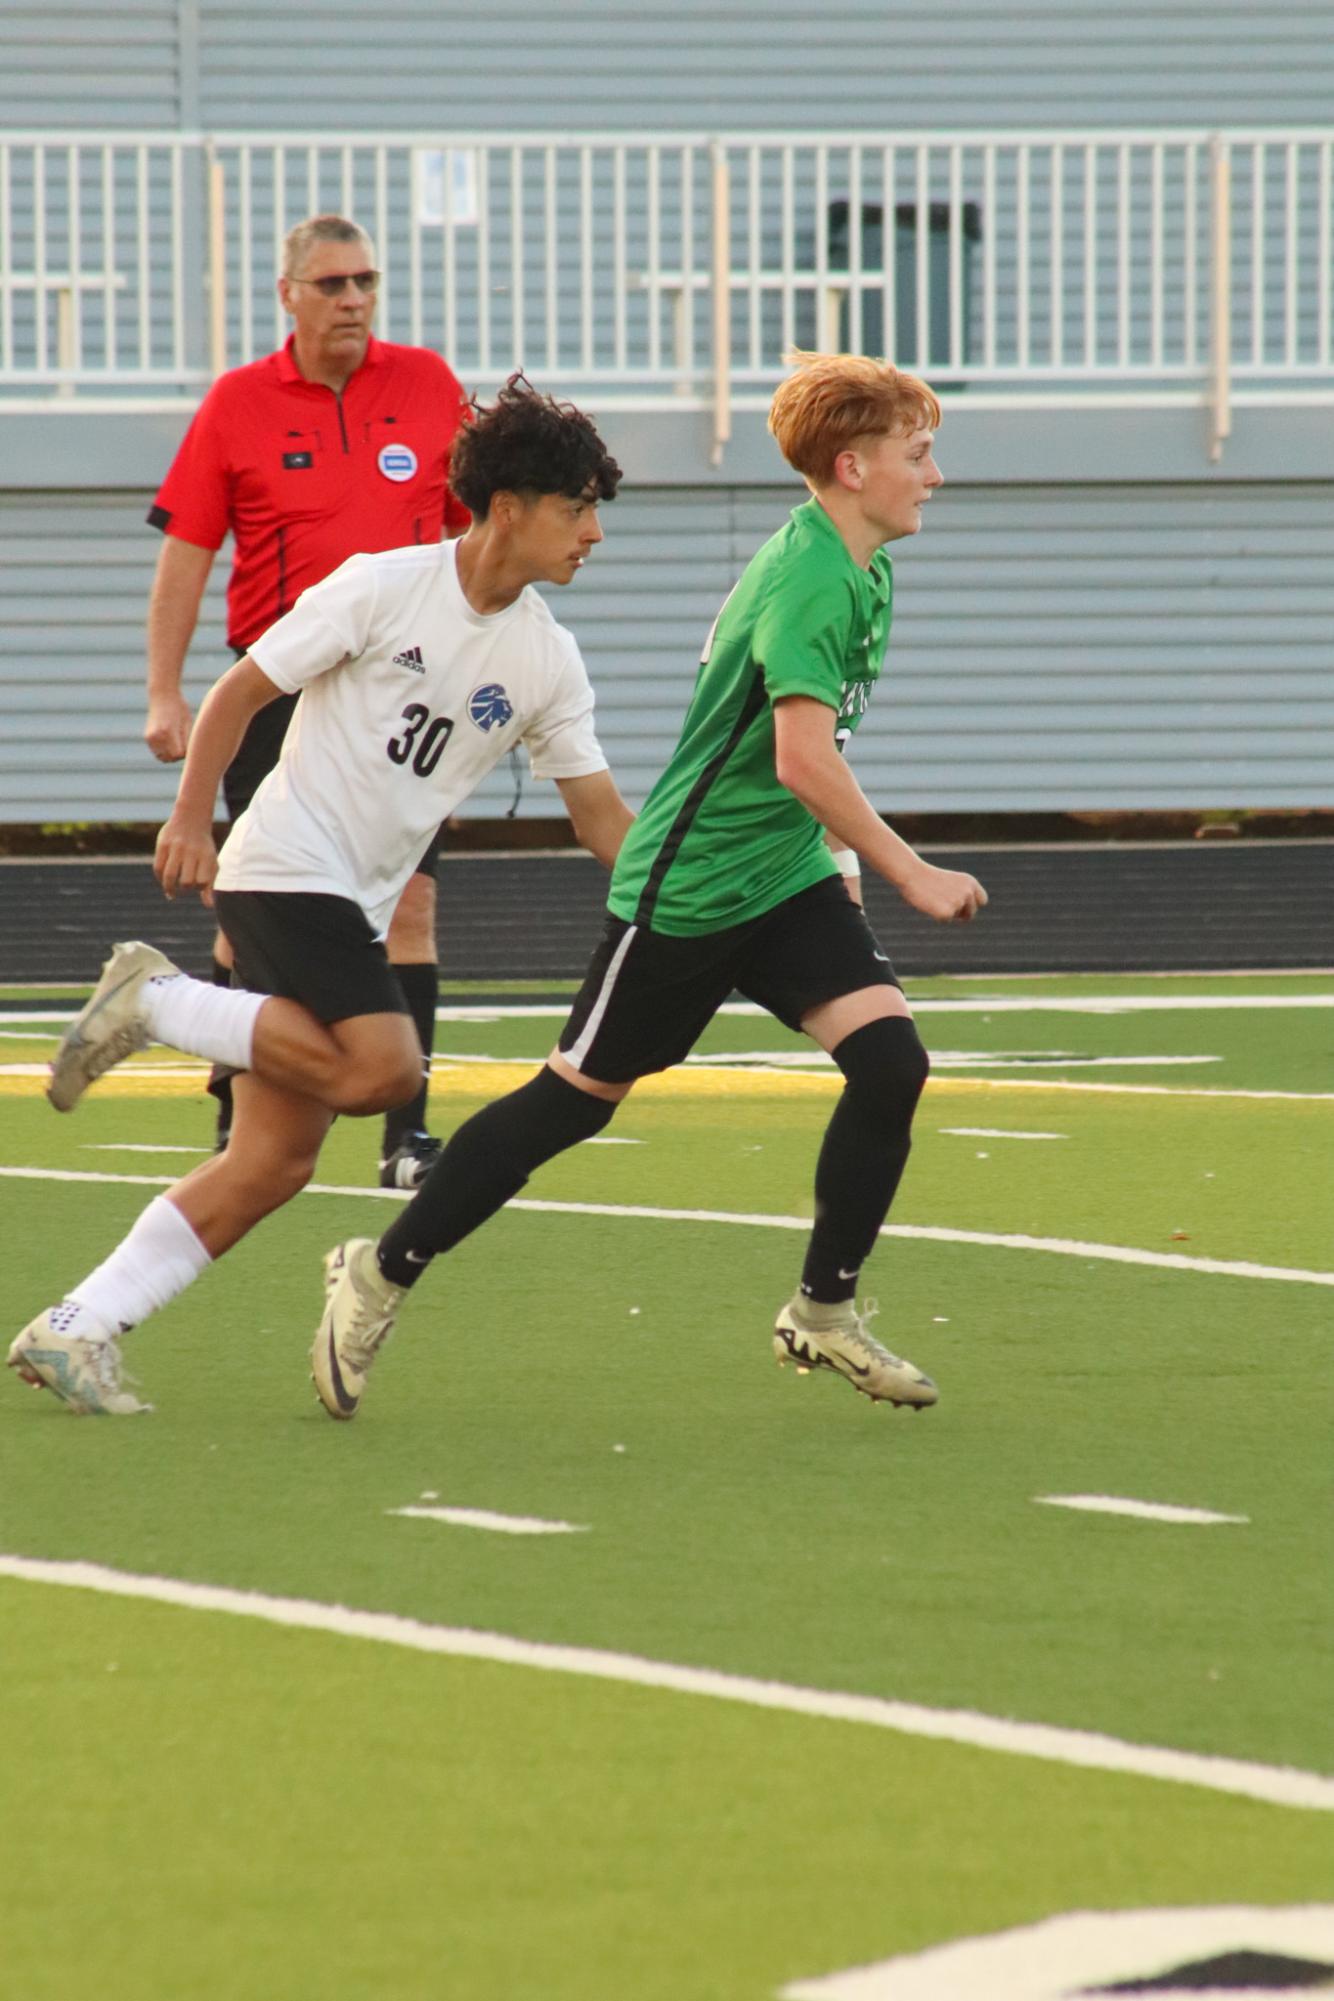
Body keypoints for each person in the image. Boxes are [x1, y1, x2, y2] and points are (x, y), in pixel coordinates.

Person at [307, 350, 987, 1424]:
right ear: (852, 467)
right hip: (691, 888)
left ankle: (821, 1311)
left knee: (890, 1061)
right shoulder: (811, 576)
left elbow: (814, 749)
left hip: (782, 875)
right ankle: (378, 1270)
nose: (934, 475)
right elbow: (803, 759)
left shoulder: (864, 563)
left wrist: (840, 868)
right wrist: (908, 871)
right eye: (919, 453)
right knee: (566, 1108)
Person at [8, 380, 633, 1417]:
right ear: (509, 507)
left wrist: (686, 888)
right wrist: (190, 817)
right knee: (386, 1069)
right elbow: (241, 691)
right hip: (284, 866)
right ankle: (155, 1001)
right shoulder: (383, 586)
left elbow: (601, 817)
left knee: (270, 1163)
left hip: (345, 902)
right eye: (577, 508)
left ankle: (73, 1329)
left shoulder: (547, 660)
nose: (594, 534)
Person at [144, 211, 472, 1189]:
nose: (353, 301)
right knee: (252, 911)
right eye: (332, 284)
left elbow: (474, 539)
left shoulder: (426, 384)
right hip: (280, 690)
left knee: (408, 905)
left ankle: (404, 1138)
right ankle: (236, 1114)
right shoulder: (238, 403)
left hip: (403, 694)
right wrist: (165, 692)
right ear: (287, 294)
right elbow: (186, 555)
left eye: (365, 281)